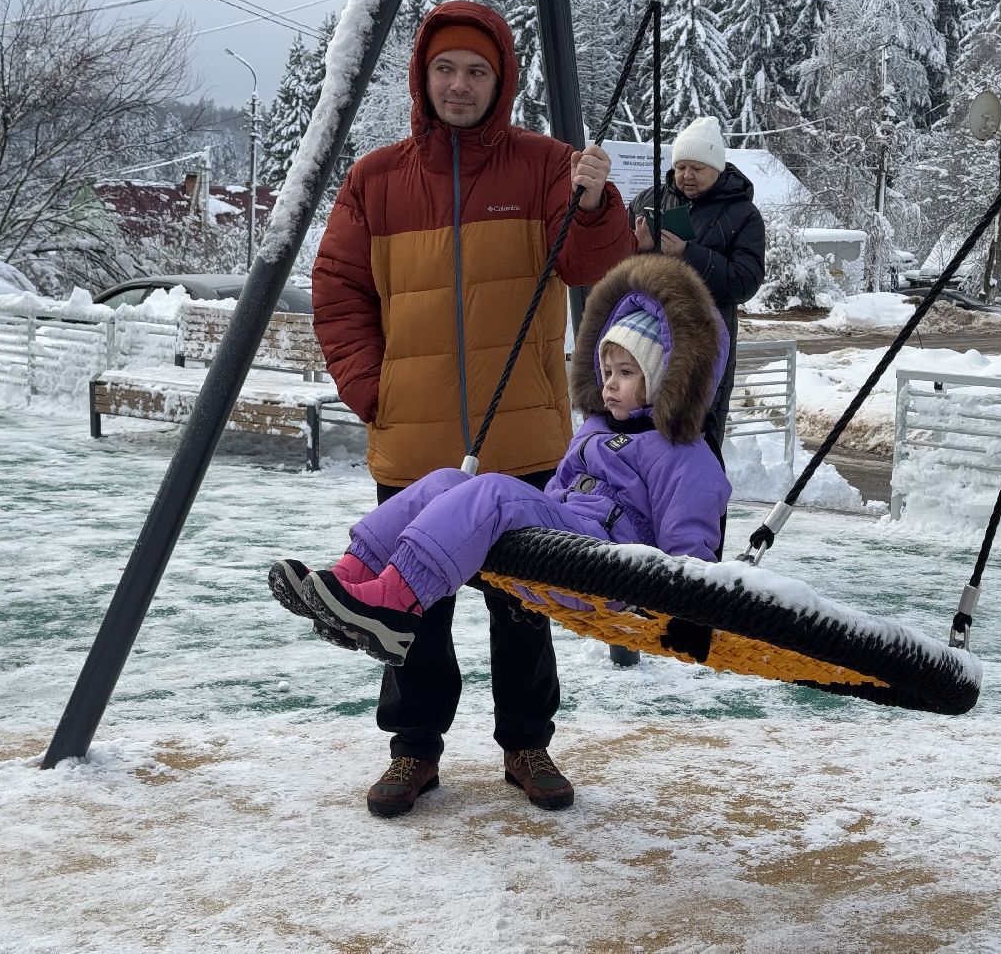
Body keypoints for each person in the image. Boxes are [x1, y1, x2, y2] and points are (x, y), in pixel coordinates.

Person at [308, 0, 633, 817]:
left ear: (502, 81)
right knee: (408, 605)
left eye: (477, 71)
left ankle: (527, 744)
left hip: (521, 438)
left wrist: (595, 204)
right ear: (423, 78)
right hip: (412, 442)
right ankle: (413, 751)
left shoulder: (545, 166)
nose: (460, 85)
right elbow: (337, 290)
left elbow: (597, 260)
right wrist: (373, 389)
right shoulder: (376, 179)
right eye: (446, 69)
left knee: (524, 607)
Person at [274, 253, 732, 814]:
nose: (610, 385)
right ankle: (353, 575)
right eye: (606, 372)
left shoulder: (683, 455)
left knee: (493, 491)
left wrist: (678, 607)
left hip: (602, 562)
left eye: (627, 373)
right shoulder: (594, 431)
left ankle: (397, 603)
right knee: (446, 479)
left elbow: (690, 547)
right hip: (559, 539)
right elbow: (560, 494)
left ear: (665, 376)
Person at [628, 115, 766, 454]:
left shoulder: (743, 214)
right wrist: (637, 248)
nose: (687, 176)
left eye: (697, 168)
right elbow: (616, 266)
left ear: (717, 169)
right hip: (646, 334)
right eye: (681, 167)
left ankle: (704, 504)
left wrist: (690, 254)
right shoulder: (650, 199)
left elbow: (744, 281)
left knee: (698, 428)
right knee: (640, 425)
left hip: (706, 339)